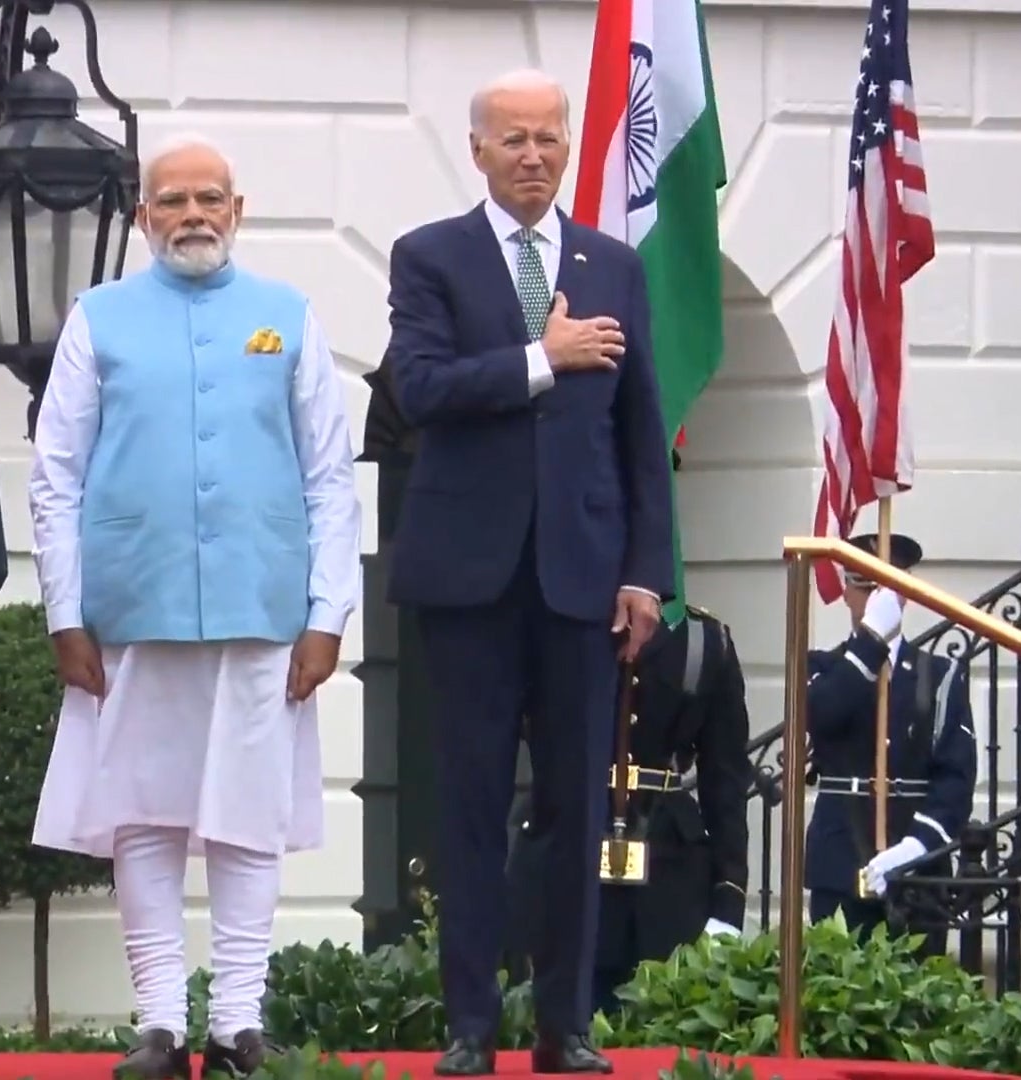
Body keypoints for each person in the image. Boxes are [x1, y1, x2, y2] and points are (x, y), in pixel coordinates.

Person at [26, 133, 362, 1080]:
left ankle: (239, 1022)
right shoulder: (99, 318)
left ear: (238, 209)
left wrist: (329, 611)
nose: (193, 217)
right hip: (134, 605)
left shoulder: (286, 316)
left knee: (248, 819)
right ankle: (163, 1025)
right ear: (144, 218)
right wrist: (63, 612)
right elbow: (56, 475)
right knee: (146, 817)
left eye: (209, 198)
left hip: (262, 605)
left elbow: (331, 476)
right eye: (172, 202)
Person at [384, 68, 674, 1076]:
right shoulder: (433, 258)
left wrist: (646, 573)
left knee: (574, 810)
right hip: (468, 581)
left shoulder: (612, 266)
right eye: (513, 139)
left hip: (581, 584)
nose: (534, 155)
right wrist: (540, 358)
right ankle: (470, 1026)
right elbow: (418, 389)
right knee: (467, 805)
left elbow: (643, 435)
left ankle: (567, 1025)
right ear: (478, 150)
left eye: (549, 137)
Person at [505, 603, 752, 1013]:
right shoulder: (556, 627)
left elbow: (725, 781)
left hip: (667, 875)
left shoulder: (703, 641)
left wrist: (730, 895)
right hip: (568, 855)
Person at [804, 533, 976, 955]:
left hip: (918, 867)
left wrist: (915, 846)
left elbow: (956, 777)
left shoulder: (939, 675)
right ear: (846, 592)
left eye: (888, 586)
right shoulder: (820, 667)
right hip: (840, 858)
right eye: (864, 585)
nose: (876, 597)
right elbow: (823, 715)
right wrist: (870, 645)